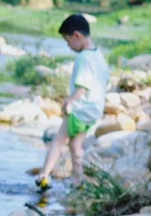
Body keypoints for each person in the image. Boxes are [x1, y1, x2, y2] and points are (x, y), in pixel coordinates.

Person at [36, 13, 110, 190]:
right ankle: (79, 180)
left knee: (58, 140)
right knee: (75, 145)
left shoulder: (84, 58)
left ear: (77, 36)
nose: (68, 46)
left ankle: (44, 176)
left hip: (81, 109)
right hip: (94, 111)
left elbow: (82, 86)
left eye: (67, 41)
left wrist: (69, 101)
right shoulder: (98, 55)